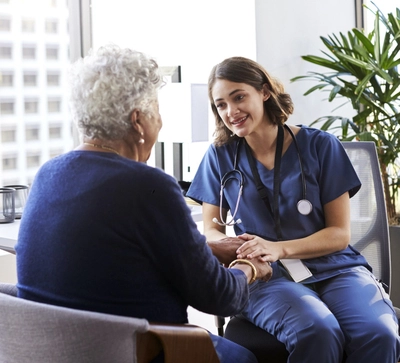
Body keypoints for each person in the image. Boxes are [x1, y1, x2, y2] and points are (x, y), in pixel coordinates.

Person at [15, 46, 273, 363]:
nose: (160, 122)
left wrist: (205, 247)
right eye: (157, 111)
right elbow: (220, 298)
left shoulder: (47, 174)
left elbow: (116, 255)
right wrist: (250, 267)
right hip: (138, 352)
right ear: (138, 121)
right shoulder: (149, 186)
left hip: (56, 351)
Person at [186, 56, 400, 363]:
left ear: (264, 92)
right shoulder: (220, 156)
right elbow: (213, 228)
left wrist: (277, 248)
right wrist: (233, 249)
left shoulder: (321, 146)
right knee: (317, 330)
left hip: (335, 267)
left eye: (239, 97)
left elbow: (339, 234)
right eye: (221, 104)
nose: (231, 112)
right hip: (266, 275)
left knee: (378, 334)